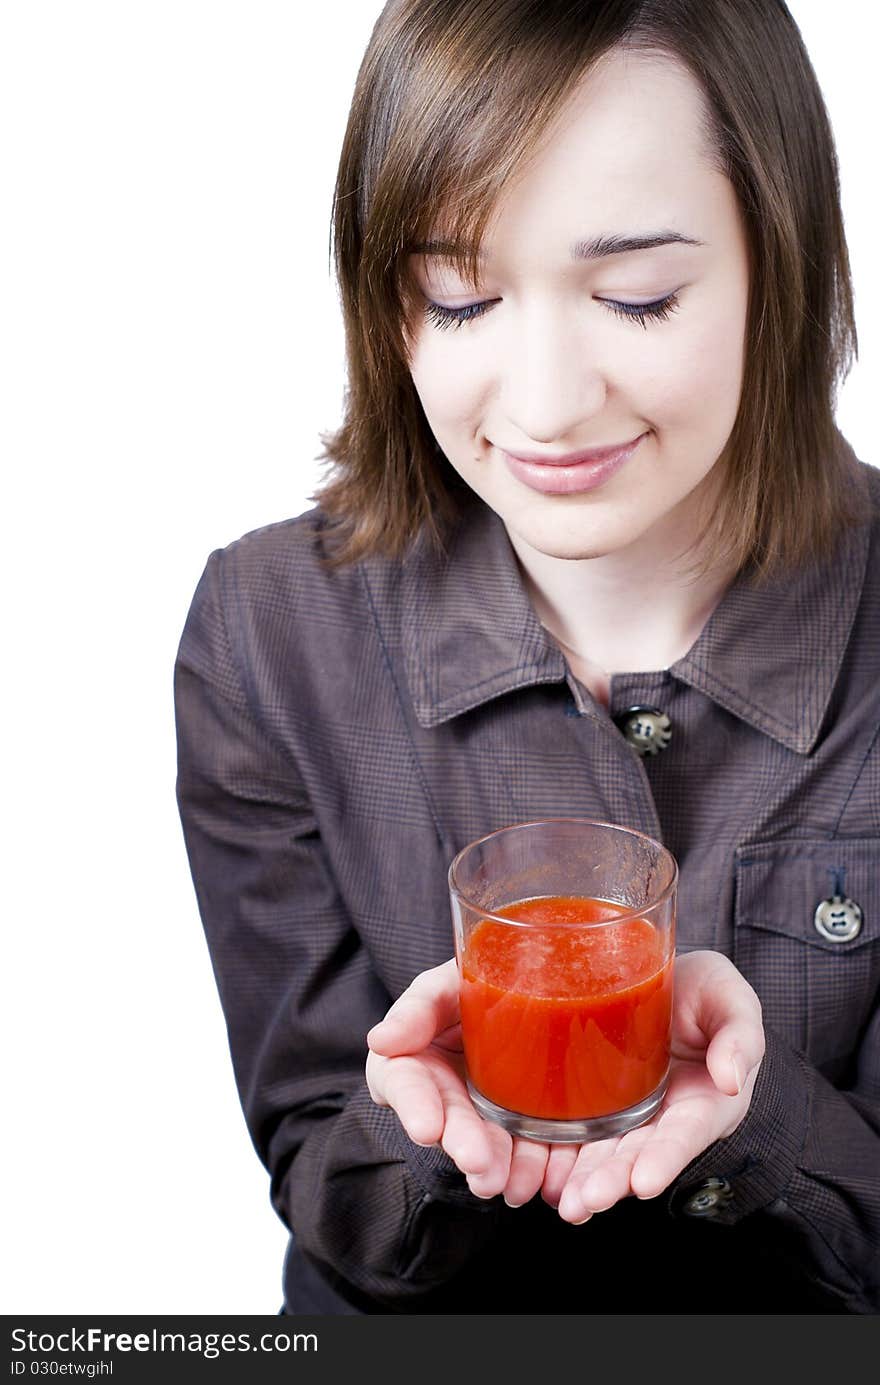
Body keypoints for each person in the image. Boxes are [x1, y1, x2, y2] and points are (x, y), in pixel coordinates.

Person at [174, 0, 879, 1315]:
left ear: (777, 266)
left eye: (636, 297)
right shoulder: (270, 637)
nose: (546, 403)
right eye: (461, 296)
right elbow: (321, 1183)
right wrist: (419, 1128)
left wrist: (761, 1118)